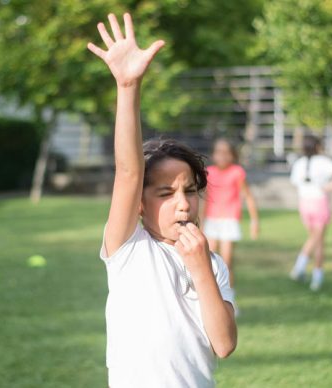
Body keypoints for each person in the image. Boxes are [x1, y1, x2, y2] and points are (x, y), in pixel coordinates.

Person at [87, 13, 237, 387]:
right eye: (166, 194)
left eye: (189, 191)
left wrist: (201, 268)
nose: (183, 203)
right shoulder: (128, 249)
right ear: (140, 204)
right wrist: (128, 86)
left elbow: (224, 345)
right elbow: (128, 173)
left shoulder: (212, 263)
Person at [289, 135, 332, 291]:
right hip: (319, 203)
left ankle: (316, 277)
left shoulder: (299, 163)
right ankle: (301, 267)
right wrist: (329, 187)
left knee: (317, 240)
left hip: (304, 204)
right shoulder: (323, 162)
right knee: (317, 239)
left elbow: (295, 183)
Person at [202, 138, 259, 288]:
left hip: (229, 220)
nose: (222, 156)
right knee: (210, 262)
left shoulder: (237, 172)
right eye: (218, 152)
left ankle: (229, 298)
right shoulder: (209, 173)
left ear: (233, 155)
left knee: (226, 262)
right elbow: (205, 199)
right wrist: (201, 223)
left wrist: (254, 221)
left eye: (226, 153)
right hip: (212, 220)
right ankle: (213, 296)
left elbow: (248, 196)